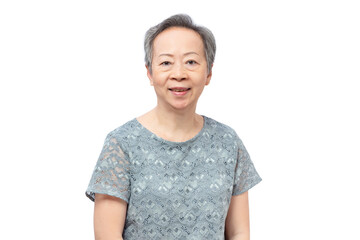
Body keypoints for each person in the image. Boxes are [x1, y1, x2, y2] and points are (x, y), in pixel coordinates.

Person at [85, 14, 262, 240]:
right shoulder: (121, 144)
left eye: (191, 62)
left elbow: (239, 232)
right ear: (150, 72)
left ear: (208, 73)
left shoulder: (228, 142)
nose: (178, 74)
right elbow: (107, 235)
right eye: (166, 63)